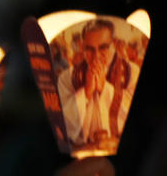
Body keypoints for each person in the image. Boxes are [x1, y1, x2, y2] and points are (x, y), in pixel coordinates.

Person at [56, 19, 135, 154]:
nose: (96, 56)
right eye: (90, 49)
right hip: (81, 151)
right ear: (83, 47)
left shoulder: (131, 72)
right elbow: (61, 125)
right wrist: (86, 93)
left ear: (113, 44)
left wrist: (105, 88)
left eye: (103, 47)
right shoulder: (66, 78)